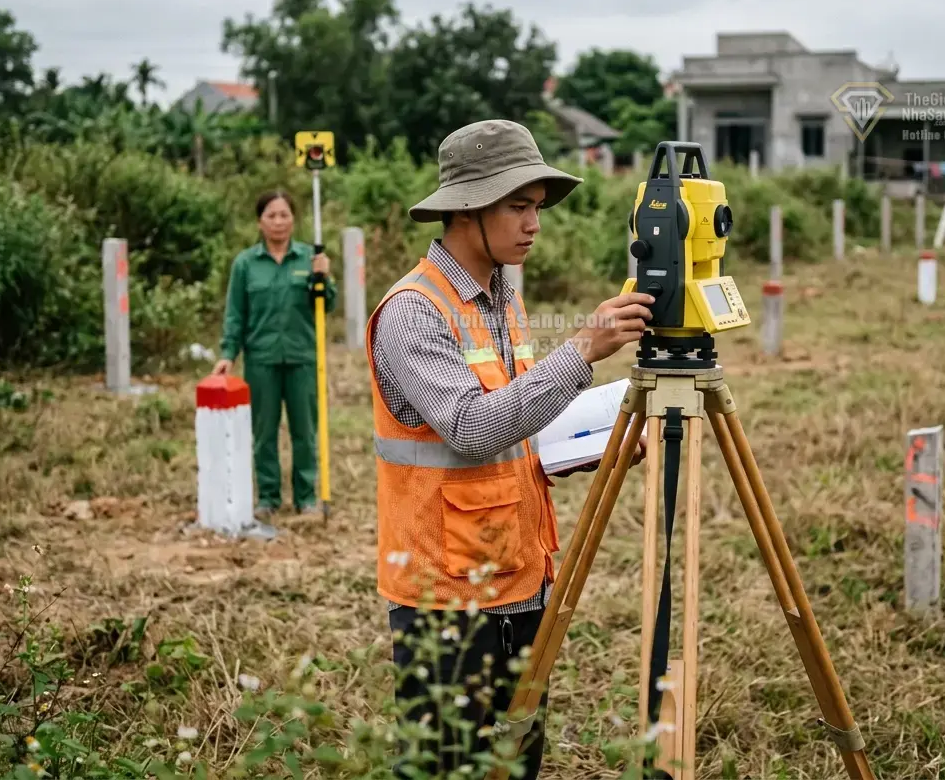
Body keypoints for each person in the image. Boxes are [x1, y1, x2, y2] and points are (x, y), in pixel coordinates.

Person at [365, 119, 654, 778]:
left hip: (519, 579)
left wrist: (590, 444)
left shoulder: (502, 299)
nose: (534, 224)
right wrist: (581, 350)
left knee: (517, 762)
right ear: (468, 209)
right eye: (518, 206)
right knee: (451, 767)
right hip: (447, 600)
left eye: (537, 207)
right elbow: (472, 428)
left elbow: (514, 422)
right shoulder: (414, 311)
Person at [214, 190, 338, 518]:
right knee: (264, 432)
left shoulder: (310, 258)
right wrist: (228, 353)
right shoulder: (245, 264)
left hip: (303, 359)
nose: (279, 222)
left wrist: (323, 277)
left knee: (304, 432)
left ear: (294, 219)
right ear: (260, 222)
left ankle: (305, 497)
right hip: (261, 360)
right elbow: (235, 314)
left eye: (284, 215)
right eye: (271, 215)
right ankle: (268, 497)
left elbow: (328, 304)